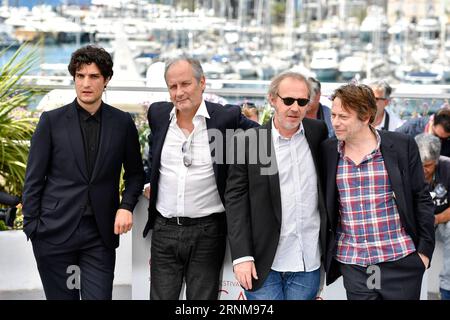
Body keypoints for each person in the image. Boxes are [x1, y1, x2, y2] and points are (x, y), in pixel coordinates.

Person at [22, 45, 145, 300]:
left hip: (99, 235)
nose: (86, 83)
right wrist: (33, 228)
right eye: (80, 76)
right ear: (74, 78)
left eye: (94, 76)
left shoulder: (122, 123)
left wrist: (126, 206)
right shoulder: (51, 121)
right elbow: (34, 178)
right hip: (54, 233)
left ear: (107, 80)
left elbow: (135, 174)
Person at [142, 57, 258, 300]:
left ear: (202, 82)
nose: (179, 92)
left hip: (208, 232)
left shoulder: (225, 118)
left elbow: (263, 138)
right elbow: (154, 153)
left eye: (185, 84)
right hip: (164, 230)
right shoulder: (159, 114)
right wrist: (149, 181)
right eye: (173, 87)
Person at [321, 83, 435, 300]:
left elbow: (421, 198)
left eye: (343, 117)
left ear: (365, 117)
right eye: (334, 115)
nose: (335, 122)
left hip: (400, 259)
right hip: (354, 262)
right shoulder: (327, 150)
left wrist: (424, 253)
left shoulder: (401, 145)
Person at [225, 72, 328, 300]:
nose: (295, 108)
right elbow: (235, 201)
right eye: (288, 100)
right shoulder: (250, 141)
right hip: (262, 263)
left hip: (307, 260)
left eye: (302, 102)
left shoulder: (317, 132)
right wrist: (241, 256)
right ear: (272, 99)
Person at [414, 133, 450, 300]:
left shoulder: (447, 167)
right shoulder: (406, 168)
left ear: (436, 161)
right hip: (417, 223)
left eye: (427, 165)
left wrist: (436, 219)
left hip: (440, 220)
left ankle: (446, 289)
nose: (423, 170)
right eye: (419, 165)